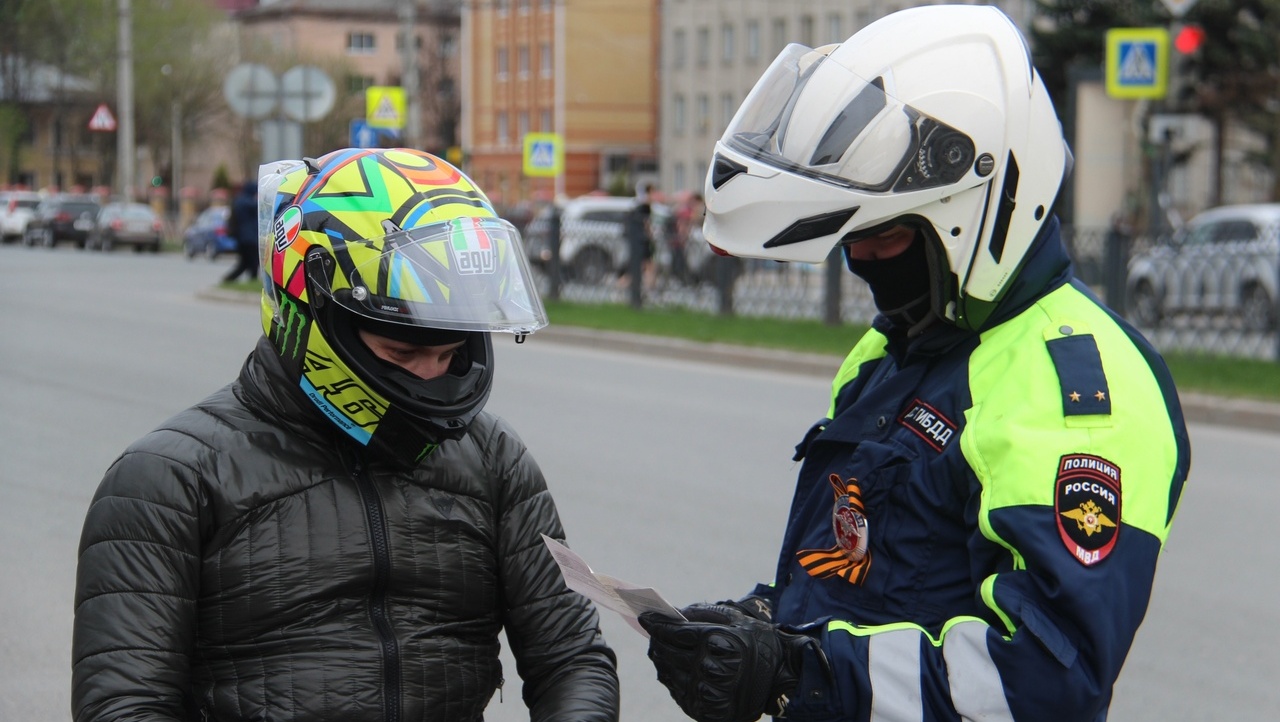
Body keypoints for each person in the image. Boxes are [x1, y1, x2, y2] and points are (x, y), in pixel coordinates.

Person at [637, 7, 1190, 722]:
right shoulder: (896, 348)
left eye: (884, 236)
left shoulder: (1076, 383)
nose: (859, 260)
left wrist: (802, 673)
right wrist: (764, 625)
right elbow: (868, 570)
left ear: (980, 212)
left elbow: (1047, 676)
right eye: (849, 237)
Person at [72, 148, 620, 721]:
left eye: (449, 353)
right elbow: (124, 704)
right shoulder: (169, 479)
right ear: (311, 311)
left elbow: (572, 658)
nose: (431, 375)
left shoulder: (492, 459)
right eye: (403, 352)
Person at [222, 179, 259, 282]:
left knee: (245, 263)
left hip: (243, 238)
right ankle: (252, 279)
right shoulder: (246, 202)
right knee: (252, 262)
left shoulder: (240, 200)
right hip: (248, 238)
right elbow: (257, 207)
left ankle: (229, 279)